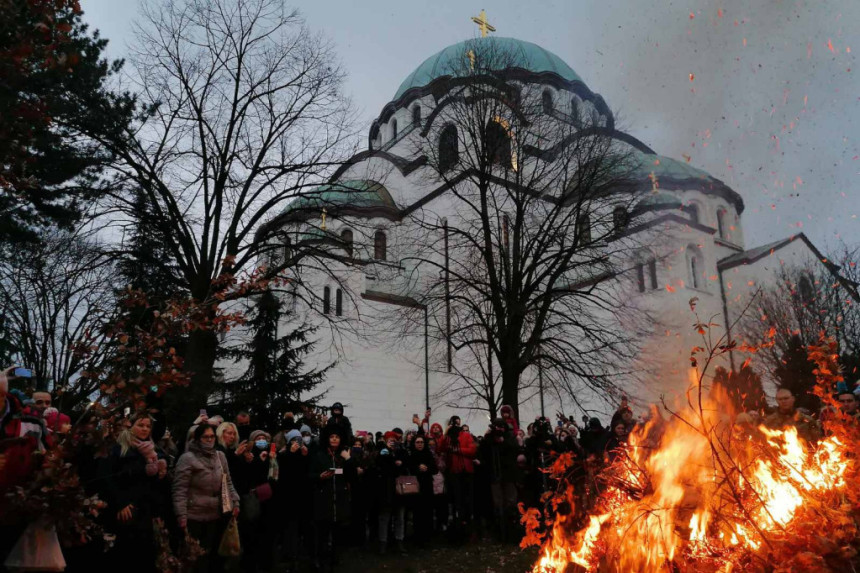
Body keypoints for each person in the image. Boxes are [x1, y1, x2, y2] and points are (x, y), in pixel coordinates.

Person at [101, 413, 169, 572]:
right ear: (130, 426)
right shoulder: (118, 449)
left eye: (148, 426)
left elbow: (155, 484)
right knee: (126, 555)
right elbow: (108, 480)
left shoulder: (153, 451)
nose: (145, 429)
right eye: (141, 425)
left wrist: (162, 466)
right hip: (127, 509)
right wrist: (120, 504)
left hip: (148, 509)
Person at [173, 423, 240, 573]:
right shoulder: (187, 458)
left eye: (211, 437)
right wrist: (181, 515)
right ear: (197, 439)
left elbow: (227, 481)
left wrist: (235, 502)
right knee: (193, 558)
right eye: (205, 437)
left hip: (215, 514)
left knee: (211, 556)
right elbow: (180, 490)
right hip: (193, 515)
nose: (209, 440)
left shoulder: (220, 456)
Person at [308, 426, 356, 572]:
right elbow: (309, 475)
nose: (334, 439)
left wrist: (348, 460)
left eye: (337, 437)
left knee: (337, 535)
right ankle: (320, 560)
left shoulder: (343, 455)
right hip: (324, 501)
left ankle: (334, 559)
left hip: (339, 501)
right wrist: (319, 476)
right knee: (322, 534)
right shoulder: (320, 455)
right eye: (331, 437)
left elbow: (352, 477)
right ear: (327, 439)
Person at [478, 418, 519, 542]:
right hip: (495, 477)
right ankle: (499, 534)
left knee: (510, 503)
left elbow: (514, 450)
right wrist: (487, 437)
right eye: (497, 427)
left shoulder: (510, 438)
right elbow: (483, 451)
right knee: (497, 505)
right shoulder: (489, 440)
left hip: (508, 476)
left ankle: (512, 533)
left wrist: (503, 441)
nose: (500, 429)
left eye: (502, 427)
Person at [277, 429, 310, 573]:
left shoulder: (304, 454)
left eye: (299, 439)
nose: (297, 443)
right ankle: (289, 556)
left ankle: (298, 556)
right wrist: (290, 453)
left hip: (301, 499)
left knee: (299, 529)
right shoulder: (283, 454)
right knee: (289, 529)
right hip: (287, 500)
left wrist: (304, 456)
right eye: (294, 440)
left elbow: (305, 473)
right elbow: (283, 473)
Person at [437, 418, 477, 536]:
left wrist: (457, 450)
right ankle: (457, 527)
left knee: (467, 500)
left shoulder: (466, 435)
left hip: (466, 471)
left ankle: (468, 525)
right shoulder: (448, 438)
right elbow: (440, 448)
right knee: (456, 500)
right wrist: (445, 433)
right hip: (454, 472)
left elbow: (472, 450)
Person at [375, 431, 409, 555]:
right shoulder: (382, 452)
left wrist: (401, 463)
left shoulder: (402, 452)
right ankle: (383, 542)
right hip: (386, 489)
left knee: (400, 517)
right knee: (384, 517)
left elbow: (405, 464)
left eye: (393, 440)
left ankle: (399, 540)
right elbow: (381, 466)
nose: (392, 442)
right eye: (389, 440)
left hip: (399, 489)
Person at [407, 434, 437, 545]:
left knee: (427, 511)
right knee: (417, 512)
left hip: (427, 485)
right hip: (416, 486)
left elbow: (435, 469)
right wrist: (418, 468)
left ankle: (427, 536)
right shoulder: (412, 455)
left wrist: (427, 468)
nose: (420, 444)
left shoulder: (428, 454)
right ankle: (418, 536)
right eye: (417, 442)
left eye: (421, 442)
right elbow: (409, 467)